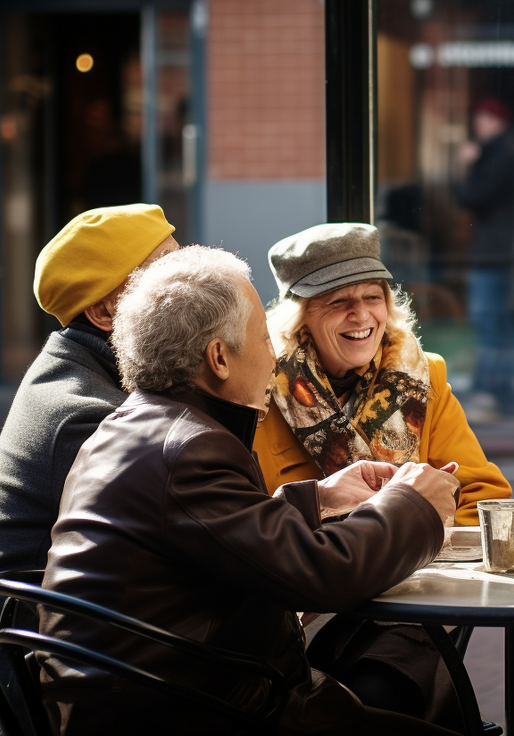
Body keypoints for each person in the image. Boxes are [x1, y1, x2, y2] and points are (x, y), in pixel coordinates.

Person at [37, 245, 462, 736]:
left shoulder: (139, 425)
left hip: (168, 697)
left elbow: (215, 533)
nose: (276, 353)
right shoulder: (189, 447)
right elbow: (324, 573)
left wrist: (318, 497)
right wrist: (412, 500)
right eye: (263, 338)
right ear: (219, 357)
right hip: (200, 711)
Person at [252, 222, 511, 726]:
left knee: (381, 684)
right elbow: (253, 517)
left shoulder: (422, 376)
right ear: (301, 318)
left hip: (408, 596)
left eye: (373, 296)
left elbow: (484, 499)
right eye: (337, 301)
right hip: (308, 602)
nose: (361, 314)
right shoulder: (260, 394)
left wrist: (407, 537)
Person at [0, 204, 178, 636]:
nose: (195, 286)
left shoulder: (87, 366)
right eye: (167, 278)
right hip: (52, 663)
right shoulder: (91, 415)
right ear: (104, 313)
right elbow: (199, 535)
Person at [452, 97, 514, 416]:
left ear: (498, 122)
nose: (479, 125)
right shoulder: (502, 153)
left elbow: (473, 196)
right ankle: (499, 389)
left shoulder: (498, 155)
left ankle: (490, 391)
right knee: (497, 321)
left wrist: (464, 166)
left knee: (489, 321)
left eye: (485, 119)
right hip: (499, 250)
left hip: (493, 253)